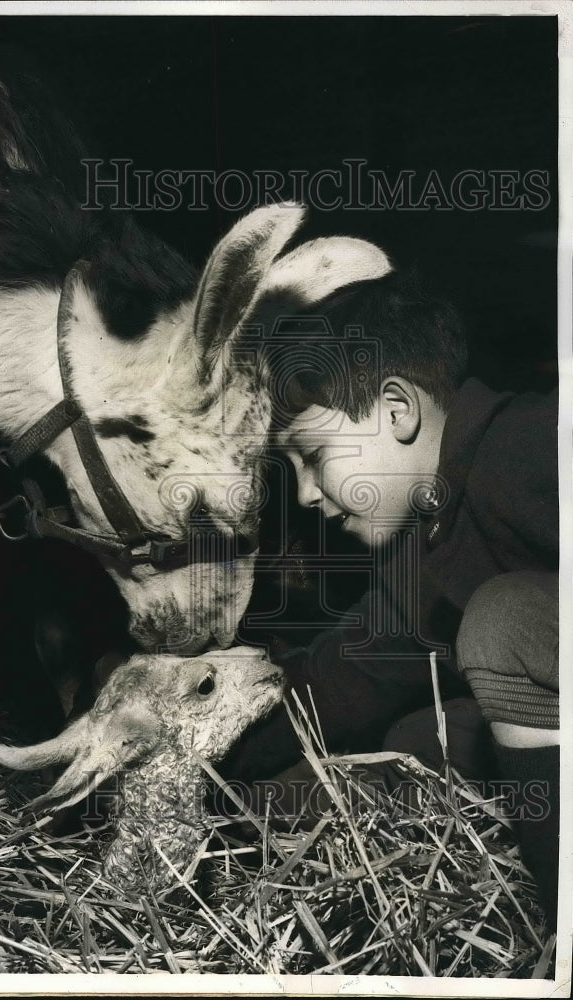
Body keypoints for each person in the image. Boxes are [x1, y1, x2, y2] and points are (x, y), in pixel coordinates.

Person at [224, 258, 560, 923]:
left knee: (506, 623)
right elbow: (344, 677)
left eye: (312, 455)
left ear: (398, 409)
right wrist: (199, 750)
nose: (307, 494)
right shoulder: (435, 532)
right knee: (415, 744)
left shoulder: (534, 445)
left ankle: (560, 935)